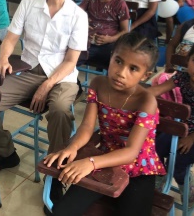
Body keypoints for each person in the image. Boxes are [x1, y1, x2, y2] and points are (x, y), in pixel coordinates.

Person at [0, 0, 88, 183]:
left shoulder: (78, 16)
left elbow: (71, 61)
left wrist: (47, 85)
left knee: (59, 109)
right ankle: (4, 152)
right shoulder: (28, 3)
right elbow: (10, 38)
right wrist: (3, 58)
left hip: (61, 76)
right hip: (28, 69)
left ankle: (54, 170)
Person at [43, 33, 164, 216]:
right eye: (118, 61)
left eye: (133, 68)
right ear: (111, 57)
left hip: (139, 166)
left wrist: (90, 163)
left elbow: (131, 152)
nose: (121, 72)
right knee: (63, 212)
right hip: (105, 160)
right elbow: (87, 127)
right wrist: (72, 147)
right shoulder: (98, 84)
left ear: (144, 75)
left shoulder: (146, 101)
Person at [149, 39, 194, 208]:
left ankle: (187, 184)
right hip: (181, 128)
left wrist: (192, 138)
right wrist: (137, 94)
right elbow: (157, 90)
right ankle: (162, 175)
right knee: (153, 148)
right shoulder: (182, 77)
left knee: (178, 162)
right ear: (188, 60)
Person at [79, 0, 129, 68]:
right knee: (70, 57)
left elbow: (125, 31)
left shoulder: (120, 4)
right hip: (87, 42)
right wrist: (83, 23)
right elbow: (76, 15)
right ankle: (73, 81)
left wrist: (110, 39)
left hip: (109, 46)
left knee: (117, 63)